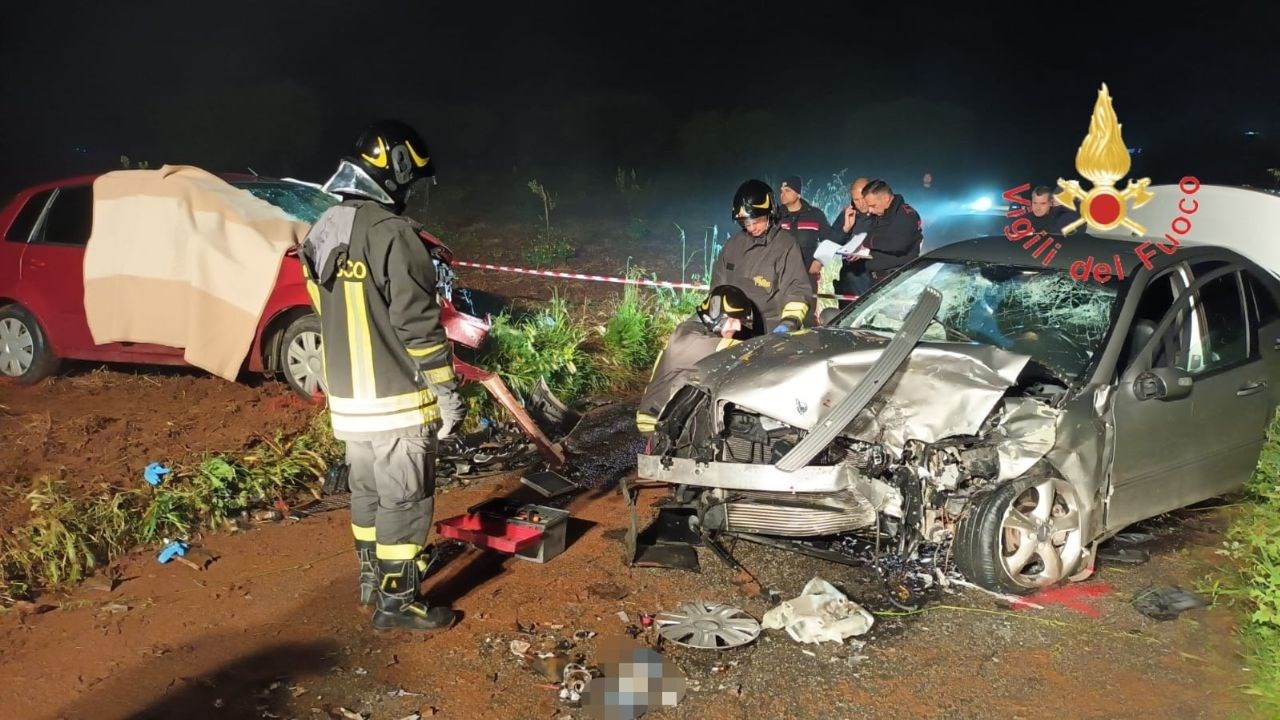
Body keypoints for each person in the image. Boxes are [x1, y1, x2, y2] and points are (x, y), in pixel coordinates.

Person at [300, 120, 464, 632]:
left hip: (349, 403)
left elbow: (318, 303)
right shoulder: (394, 235)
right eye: (409, 180)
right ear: (393, 172)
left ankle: (371, 580)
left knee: (367, 495)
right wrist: (447, 393)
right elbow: (418, 327)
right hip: (397, 399)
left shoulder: (325, 226)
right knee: (406, 500)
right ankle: (398, 604)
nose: (411, 190)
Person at [635, 179, 812, 433]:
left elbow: (797, 290)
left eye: (756, 220)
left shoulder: (785, 246)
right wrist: (716, 322)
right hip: (728, 330)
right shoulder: (734, 246)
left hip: (768, 334)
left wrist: (787, 325)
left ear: (771, 213)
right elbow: (717, 288)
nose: (751, 227)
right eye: (746, 223)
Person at [635, 285, 760, 433]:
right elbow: (734, 350)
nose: (738, 327)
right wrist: (772, 346)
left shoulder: (700, 332)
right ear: (714, 315)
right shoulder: (687, 337)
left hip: (676, 415)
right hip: (657, 419)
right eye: (733, 320)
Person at [777, 175, 838, 292]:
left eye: (787, 190)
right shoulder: (776, 216)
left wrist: (819, 261)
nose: (782, 194)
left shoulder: (815, 215)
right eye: (781, 191)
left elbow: (830, 240)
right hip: (780, 276)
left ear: (798, 194)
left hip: (807, 277)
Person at [857, 179, 923, 284]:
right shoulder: (879, 215)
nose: (870, 210)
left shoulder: (906, 215)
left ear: (886, 198)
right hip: (876, 279)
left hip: (898, 280)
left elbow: (897, 244)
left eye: (873, 206)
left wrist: (867, 242)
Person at [833, 177, 874, 299]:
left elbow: (891, 243)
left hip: (874, 277)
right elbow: (832, 241)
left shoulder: (880, 214)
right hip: (849, 278)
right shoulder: (848, 214)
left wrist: (865, 250)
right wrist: (845, 229)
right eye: (856, 200)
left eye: (863, 198)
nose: (861, 203)